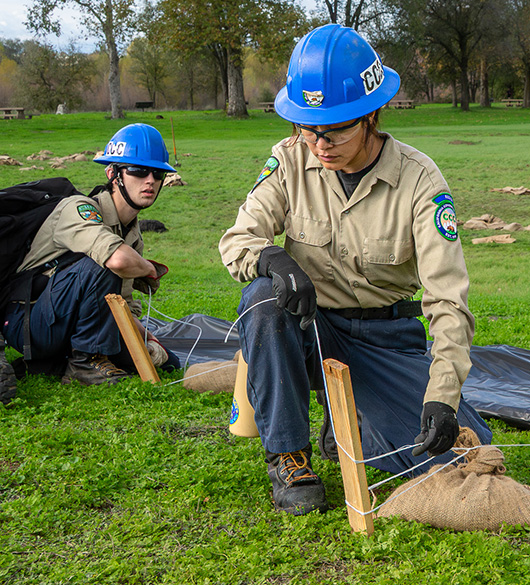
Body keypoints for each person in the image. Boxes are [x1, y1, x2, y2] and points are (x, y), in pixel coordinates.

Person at [217, 24, 493, 516]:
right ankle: (288, 456)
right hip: (309, 331)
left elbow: (448, 302)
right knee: (261, 300)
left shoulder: (421, 181)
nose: (320, 144)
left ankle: (350, 420)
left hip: (384, 341)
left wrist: (443, 397)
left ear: (371, 115)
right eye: (308, 127)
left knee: (455, 454)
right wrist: (271, 257)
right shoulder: (287, 160)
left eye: (337, 128)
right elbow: (238, 239)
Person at [1, 124, 179, 386]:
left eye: (158, 173)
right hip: (28, 321)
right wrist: (148, 269)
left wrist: (147, 340)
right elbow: (116, 261)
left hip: (63, 320)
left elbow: (122, 305)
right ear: (113, 174)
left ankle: (54, 364)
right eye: (138, 171)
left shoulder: (132, 233)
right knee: (105, 263)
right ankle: (84, 363)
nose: (150, 180)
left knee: (168, 362)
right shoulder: (79, 210)